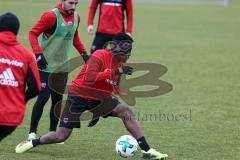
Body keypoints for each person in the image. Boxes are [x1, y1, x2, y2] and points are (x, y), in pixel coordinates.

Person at [15, 33, 168, 159]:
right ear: (118, 50)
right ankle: (34, 142)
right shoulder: (99, 55)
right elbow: (90, 78)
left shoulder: (120, 66)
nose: (129, 56)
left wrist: (99, 110)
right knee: (61, 136)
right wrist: (114, 72)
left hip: (99, 98)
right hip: (78, 96)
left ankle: (147, 151)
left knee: (126, 111)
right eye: (127, 52)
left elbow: (111, 87)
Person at [27, 0, 89, 141]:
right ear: (62, 1)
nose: (73, 7)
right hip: (45, 66)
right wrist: (38, 54)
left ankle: (52, 133)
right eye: (70, 3)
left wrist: (84, 54)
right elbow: (32, 33)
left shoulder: (76, 17)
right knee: (43, 97)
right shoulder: (50, 16)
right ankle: (31, 132)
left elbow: (75, 36)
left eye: (76, 4)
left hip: (62, 68)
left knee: (57, 101)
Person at [0, 12, 41, 141]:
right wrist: (21, 100)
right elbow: (35, 88)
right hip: (11, 117)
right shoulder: (27, 55)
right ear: (16, 31)